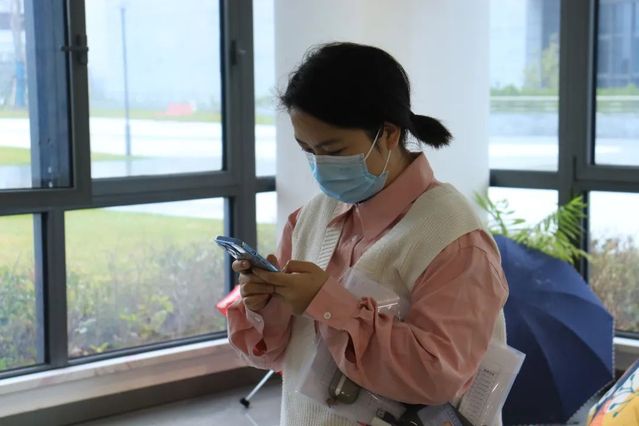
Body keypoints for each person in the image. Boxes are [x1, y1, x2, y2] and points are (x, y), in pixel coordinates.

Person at [226, 42, 508, 426]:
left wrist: (329, 304)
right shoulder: (310, 218)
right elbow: (279, 355)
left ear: (388, 134)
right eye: (307, 149)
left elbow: (438, 377)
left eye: (333, 149)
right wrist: (266, 306)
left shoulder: (454, 241)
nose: (319, 165)